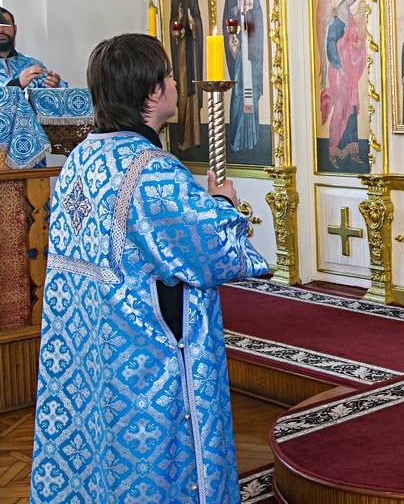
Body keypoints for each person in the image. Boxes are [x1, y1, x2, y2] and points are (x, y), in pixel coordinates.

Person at [29, 33, 269, 503]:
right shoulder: (151, 169)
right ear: (154, 92)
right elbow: (212, 253)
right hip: (144, 357)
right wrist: (222, 204)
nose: (176, 84)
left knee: (101, 459)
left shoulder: (81, 158)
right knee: (155, 469)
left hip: (93, 348)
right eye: (170, 76)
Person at [224, 0, 266, 152]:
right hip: (238, 43)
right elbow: (227, 13)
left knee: (250, 87)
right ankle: (237, 138)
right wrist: (235, 10)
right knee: (239, 89)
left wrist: (250, 10)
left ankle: (251, 139)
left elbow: (258, 10)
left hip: (250, 40)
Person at [319, 0, 366, 168]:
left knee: (351, 108)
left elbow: (354, 40)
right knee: (339, 108)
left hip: (350, 71)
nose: (351, 0)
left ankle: (352, 151)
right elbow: (331, 44)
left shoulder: (351, 19)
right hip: (339, 71)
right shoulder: (335, 18)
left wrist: (358, 44)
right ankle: (333, 150)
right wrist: (339, 67)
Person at [168, 0, 204, 150]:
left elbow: (197, 16)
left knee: (193, 91)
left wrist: (192, 22)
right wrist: (180, 19)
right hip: (181, 47)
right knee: (182, 91)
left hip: (192, 48)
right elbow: (173, 20)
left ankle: (196, 138)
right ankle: (183, 140)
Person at [0, 7, 65, 88]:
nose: (1, 29)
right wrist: (17, 83)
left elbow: (62, 89)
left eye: (6, 24)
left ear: (15, 29)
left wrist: (54, 87)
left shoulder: (32, 63)